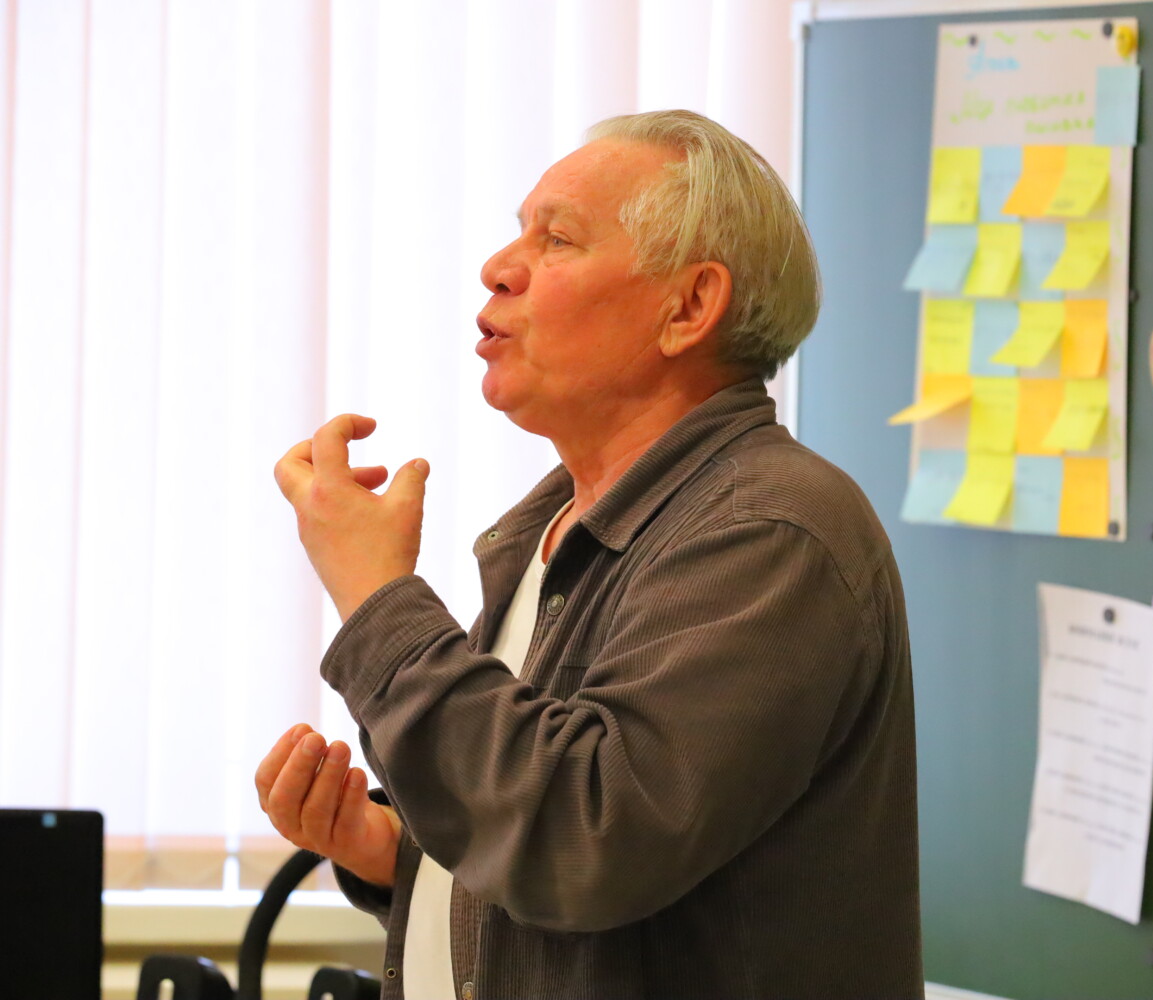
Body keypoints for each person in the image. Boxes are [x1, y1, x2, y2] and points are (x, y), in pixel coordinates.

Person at [256, 109, 922, 1000]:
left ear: (688, 307)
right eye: (518, 232)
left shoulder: (766, 528)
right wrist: (393, 854)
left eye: (557, 239)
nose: (499, 267)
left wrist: (378, 598)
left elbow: (586, 841)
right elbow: (538, 835)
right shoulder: (555, 527)